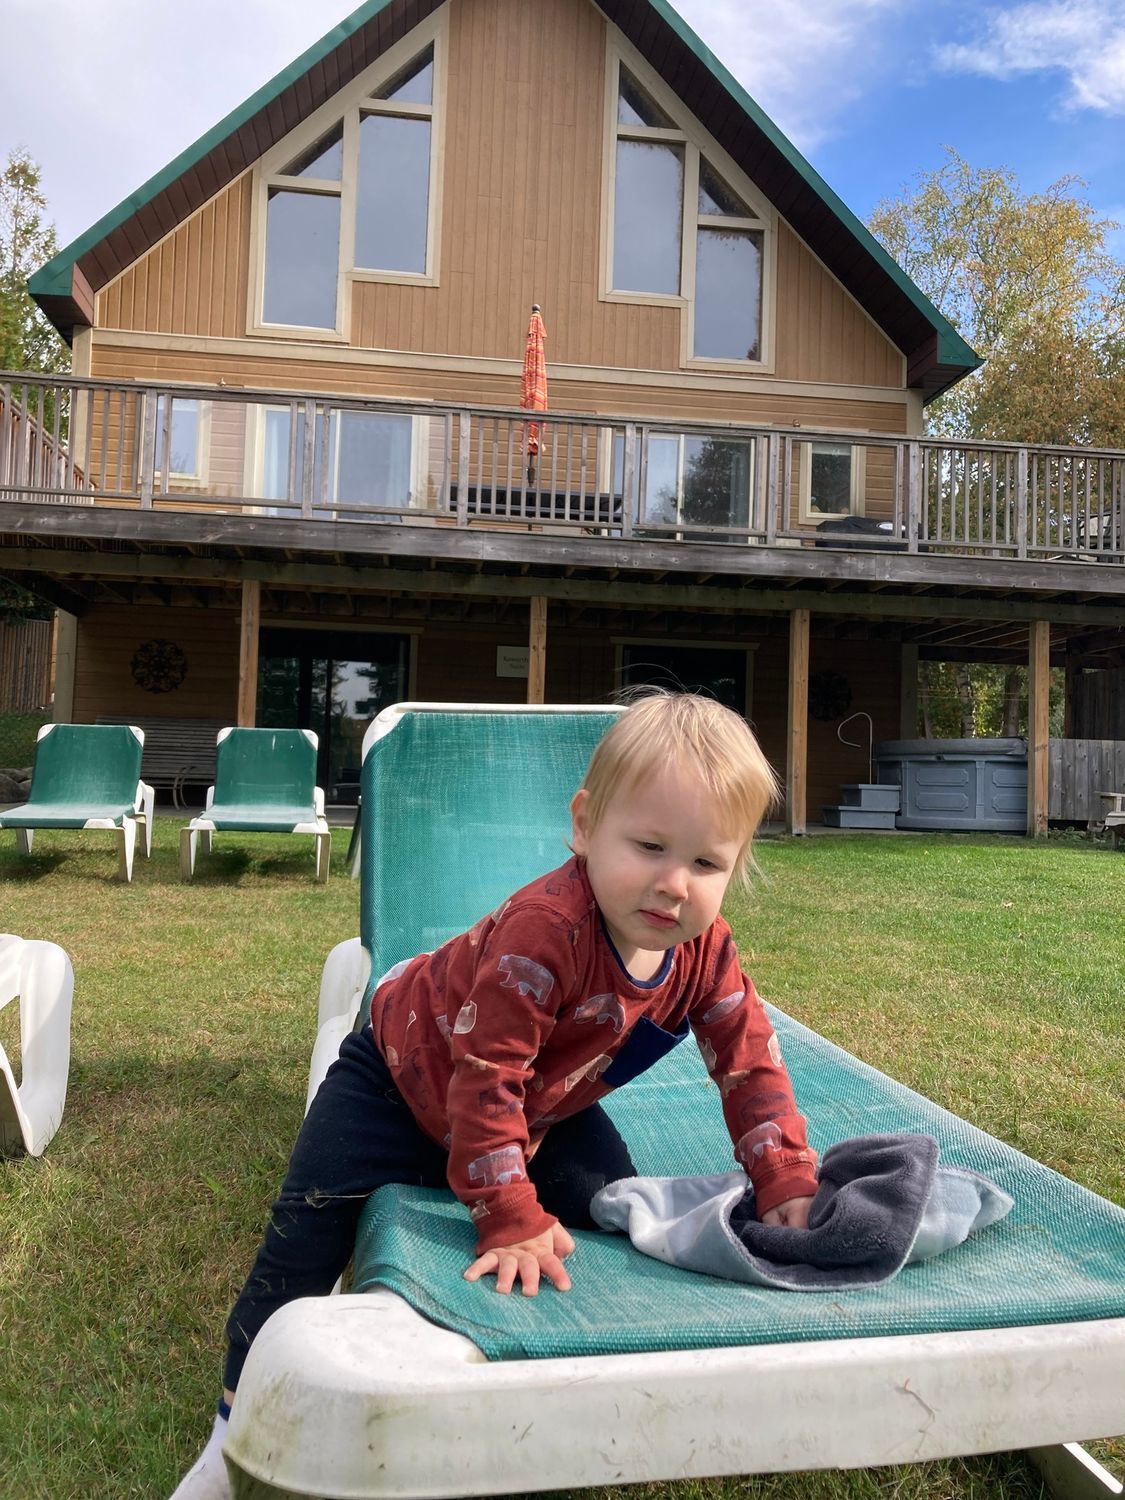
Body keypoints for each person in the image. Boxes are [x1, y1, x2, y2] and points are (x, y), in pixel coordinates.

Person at [171, 692, 818, 1499]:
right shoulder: (544, 933)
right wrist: (505, 1213)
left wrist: (783, 1173)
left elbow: (748, 1060)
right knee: (302, 1240)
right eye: (648, 845)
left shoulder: (703, 953)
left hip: (537, 1110)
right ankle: (230, 1424)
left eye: (706, 863)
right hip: (399, 1081)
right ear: (583, 826)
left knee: (604, 1203)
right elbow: (485, 1079)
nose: (673, 884)